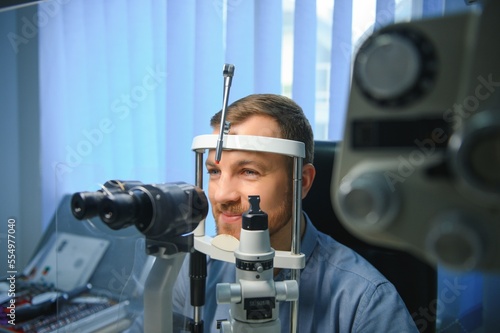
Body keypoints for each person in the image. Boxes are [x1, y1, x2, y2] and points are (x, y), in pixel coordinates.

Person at [172, 94, 419, 332]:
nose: (222, 195)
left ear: (302, 181)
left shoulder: (365, 302)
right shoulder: (195, 270)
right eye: (215, 172)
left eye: (249, 171)